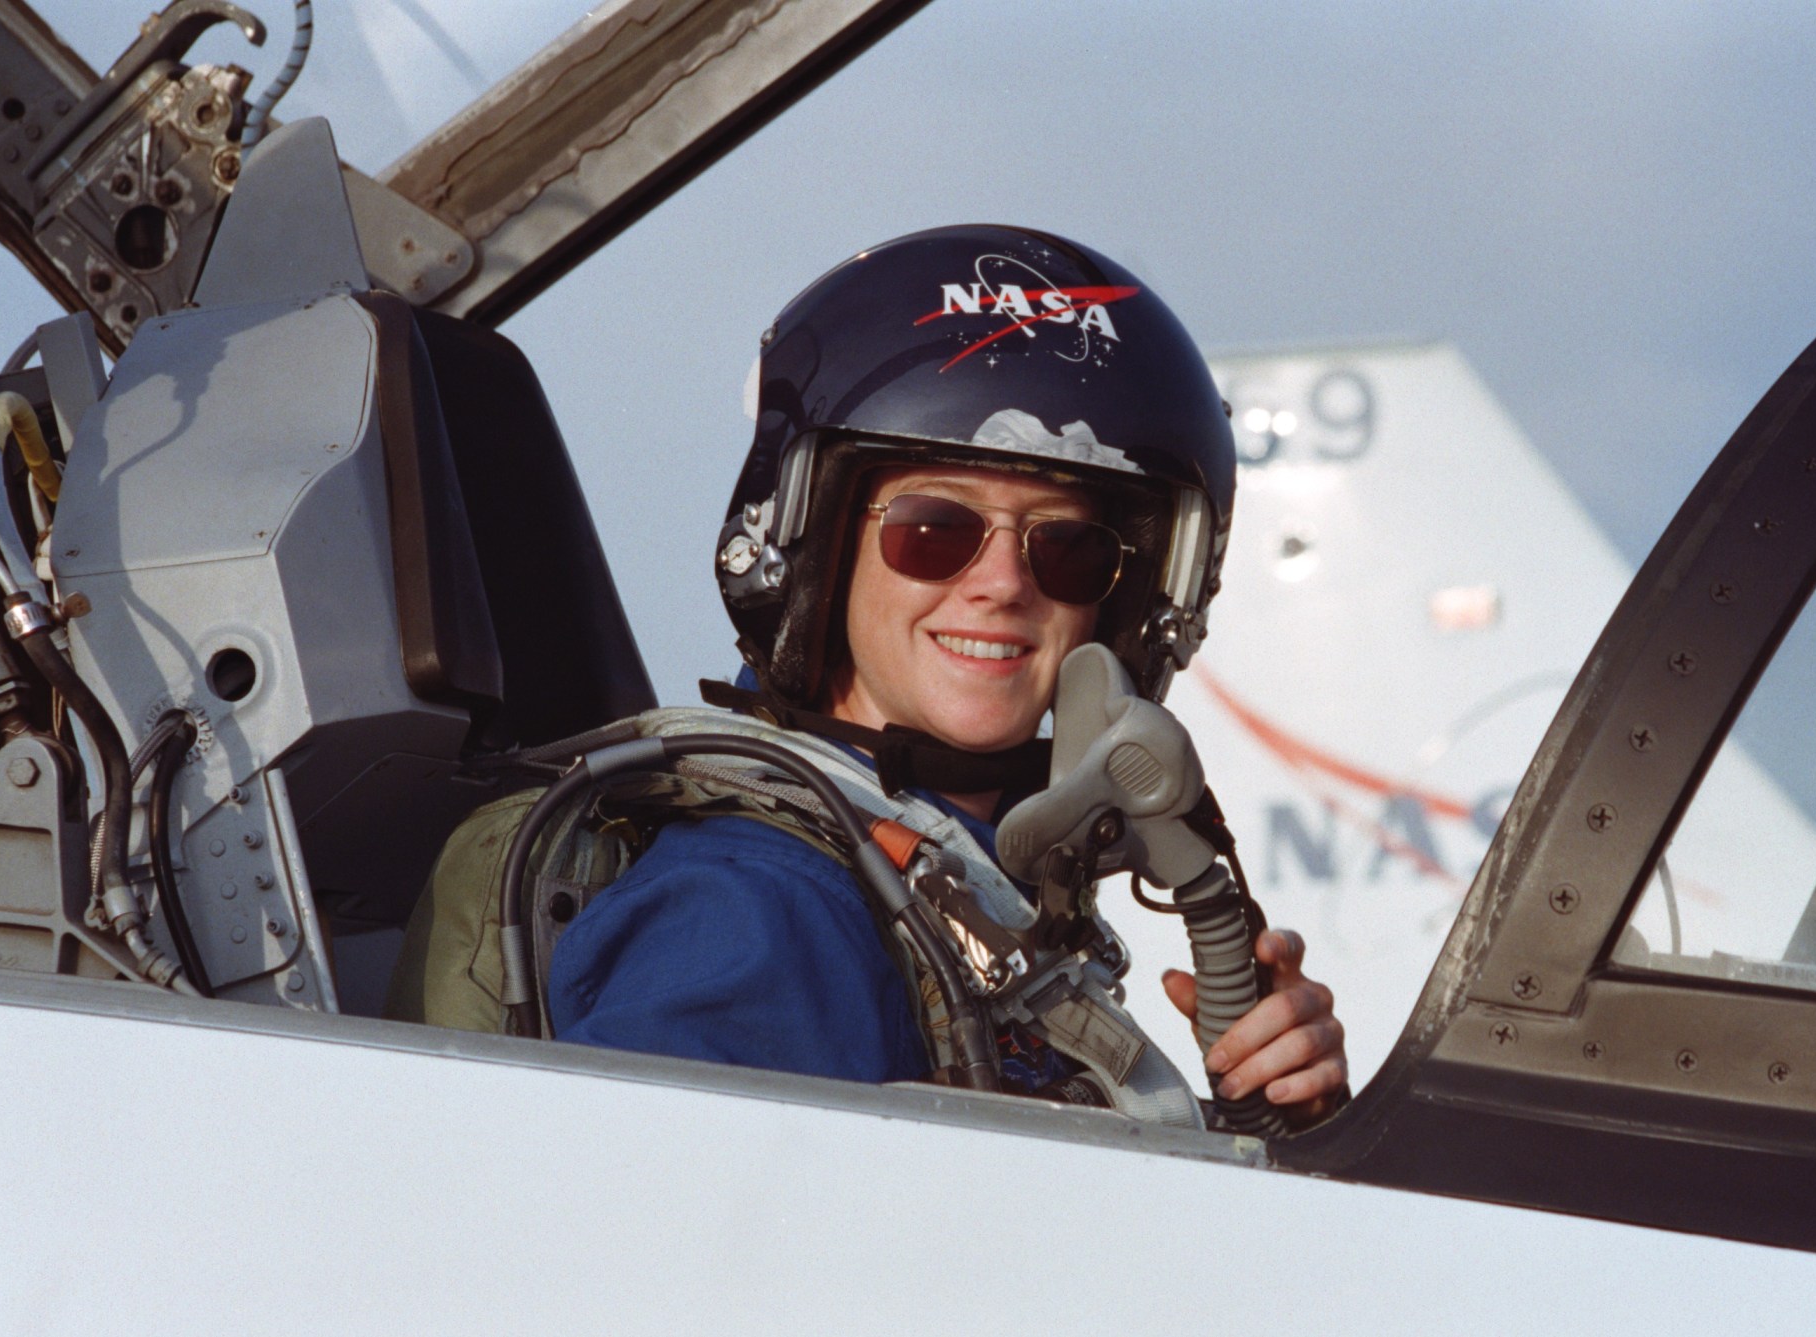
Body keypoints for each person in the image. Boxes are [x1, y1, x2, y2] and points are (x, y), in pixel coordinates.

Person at [545, 225, 1347, 1122]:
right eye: (933, 531)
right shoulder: (758, 911)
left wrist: (1269, 1115)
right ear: (823, 556)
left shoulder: (966, 898)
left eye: (1068, 547)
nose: (1002, 584)